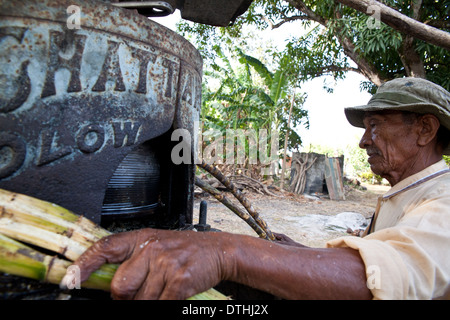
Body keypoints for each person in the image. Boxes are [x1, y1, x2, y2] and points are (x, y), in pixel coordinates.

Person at [68, 77, 450, 300]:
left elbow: (382, 281)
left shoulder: (443, 204)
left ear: (424, 130)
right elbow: (383, 257)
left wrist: (227, 252)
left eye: (376, 127)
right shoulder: (407, 194)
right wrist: (300, 254)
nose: (365, 141)